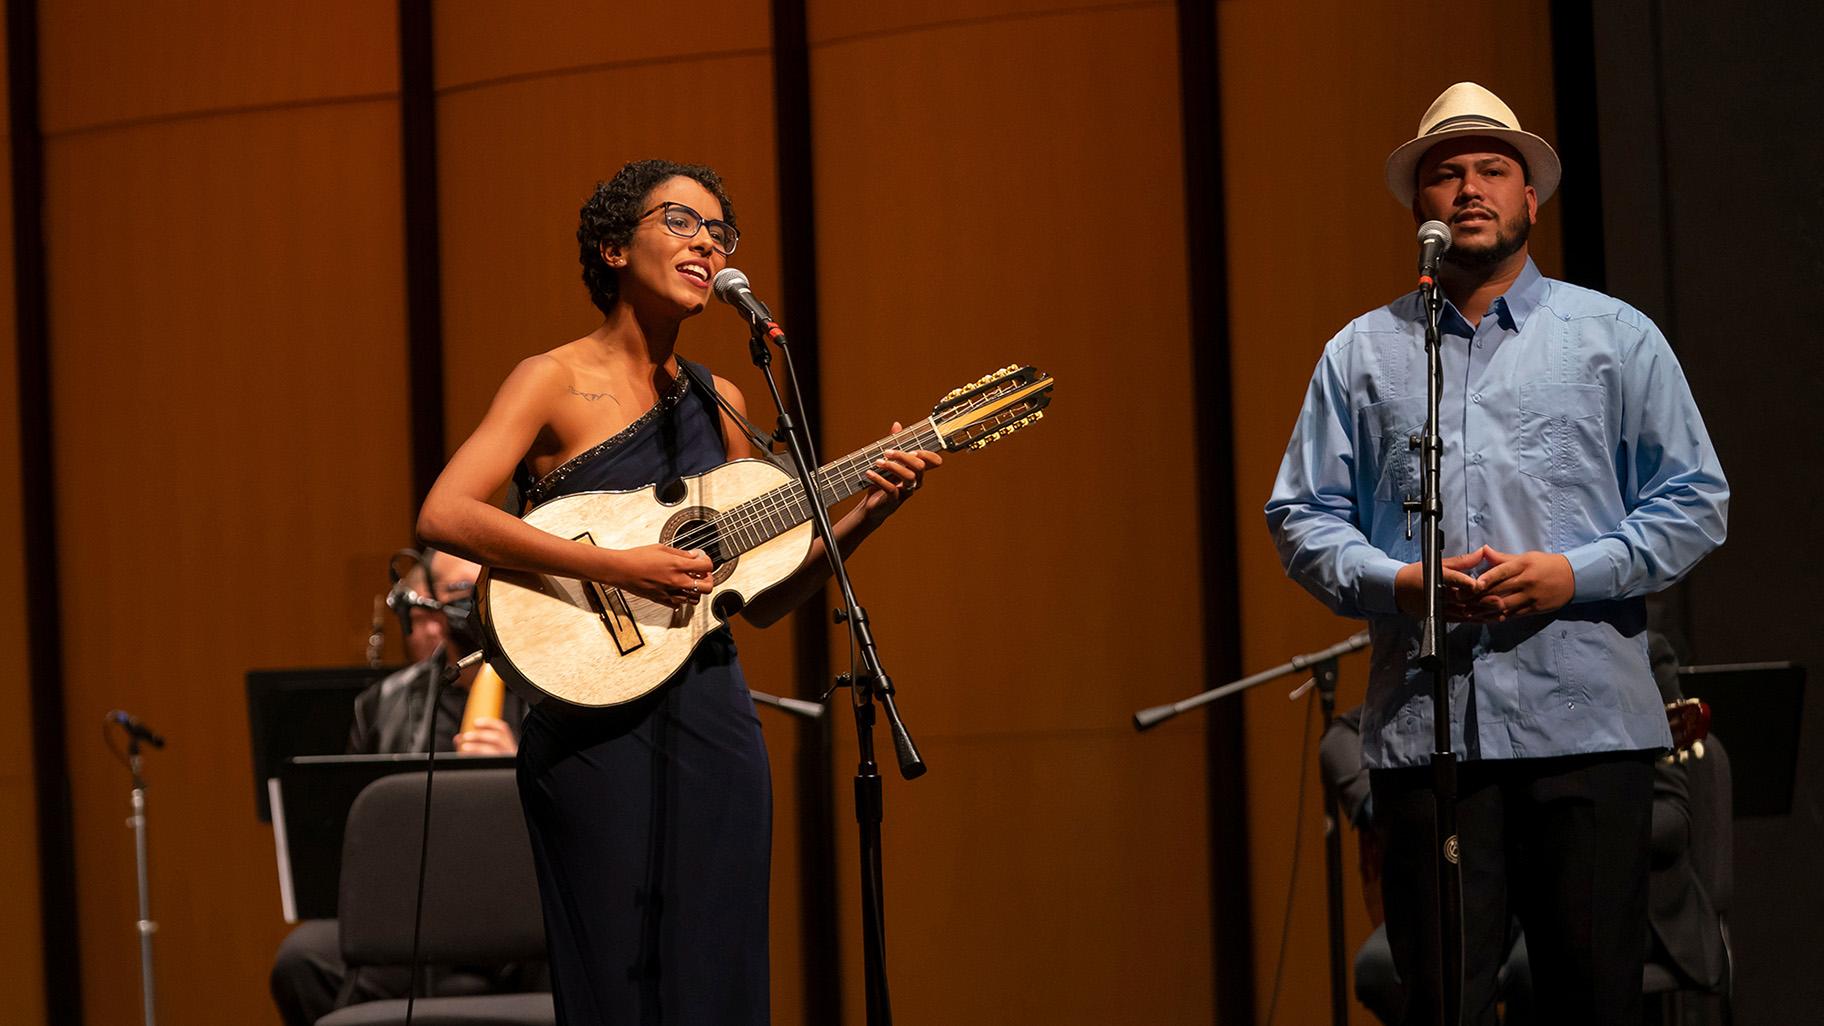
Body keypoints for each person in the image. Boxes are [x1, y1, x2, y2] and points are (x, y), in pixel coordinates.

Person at [415, 159, 939, 1025]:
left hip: (710, 711)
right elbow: (445, 511)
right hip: (591, 717)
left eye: (720, 232)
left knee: (719, 968)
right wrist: (623, 568)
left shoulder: (721, 398)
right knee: (620, 980)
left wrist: (869, 512)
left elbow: (763, 596)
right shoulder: (550, 378)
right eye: (682, 222)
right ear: (613, 247)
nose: (707, 243)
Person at [1265, 82, 1728, 1024]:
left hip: (1588, 729)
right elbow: (1302, 515)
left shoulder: (1616, 337)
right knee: (1443, 1006)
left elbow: (1695, 502)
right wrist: (1400, 581)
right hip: (1428, 736)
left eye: (1492, 169)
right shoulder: (1362, 355)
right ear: (1419, 206)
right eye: (1446, 173)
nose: (1470, 187)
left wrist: (1575, 572)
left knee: (1590, 1004)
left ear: (1529, 197)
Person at [268, 549, 530, 1026]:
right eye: (457, 592)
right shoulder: (384, 704)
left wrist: (518, 773)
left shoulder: (550, 692)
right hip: (414, 911)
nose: (471, 601)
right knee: (302, 958)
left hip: (519, 907)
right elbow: (356, 836)